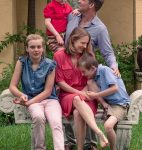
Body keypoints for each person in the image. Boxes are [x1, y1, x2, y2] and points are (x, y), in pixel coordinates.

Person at [64, 0, 120, 149]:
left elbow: (107, 52)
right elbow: (63, 36)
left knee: (80, 104)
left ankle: (91, 143)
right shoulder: (73, 16)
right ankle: (69, 142)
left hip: (84, 75)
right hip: (66, 71)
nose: (78, 1)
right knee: (69, 100)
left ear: (91, 5)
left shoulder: (100, 28)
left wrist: (114, 66)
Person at [54, 27, 108, 150]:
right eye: (82, 43)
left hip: (87, 93)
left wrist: (83, 92)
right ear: (73, 40)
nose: (84, 46)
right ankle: (99, 133)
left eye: (86, 43)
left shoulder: (87, 56)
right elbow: (60, 82)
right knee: (77, 99)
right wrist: (78, 93)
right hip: (67, 95)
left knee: (78, 113)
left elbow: (91, 78)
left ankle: (80, 148)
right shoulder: (59, 55)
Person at [9, 34, 64, 150]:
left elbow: (48, 91)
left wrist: (29, 102)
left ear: (43, 48)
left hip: (50, 100)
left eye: (39, 47)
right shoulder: (22, 62)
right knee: (38, 117)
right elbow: (12, 86)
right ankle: (39, 148)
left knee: (56, 122)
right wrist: (22, 95)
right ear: (27, 49)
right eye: (32, 47)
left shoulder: (50, 64)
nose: (36, 50)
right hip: (32, 101)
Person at [77, 53, 130, 150]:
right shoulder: (93, 77)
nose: (82, 74)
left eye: (83, 72)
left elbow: (115, 88)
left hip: (120, 104)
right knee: (90, 82)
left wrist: (96, 95)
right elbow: (86, 89)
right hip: (109, 104)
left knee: (108, 126)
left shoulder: (104, 70)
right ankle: (105, 106)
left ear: (92, 68)